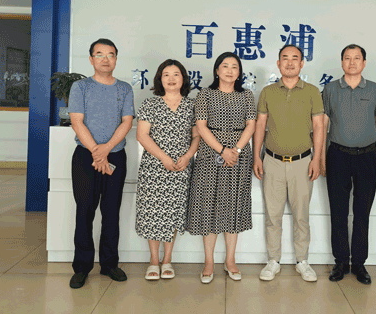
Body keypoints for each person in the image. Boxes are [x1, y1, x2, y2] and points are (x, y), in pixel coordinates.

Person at [67, 38, 135, 289]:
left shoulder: (124, 89)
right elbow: (77, 121)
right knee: (85, 210)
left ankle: (109, 263)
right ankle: (82, 267)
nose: (105, 59)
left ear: (116, 59)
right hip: (86, 156)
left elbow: (127, 122)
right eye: (100, 54)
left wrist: (105, 150)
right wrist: (97, 152)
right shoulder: (80, 87)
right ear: (91, 59)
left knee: (111, 211)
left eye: (111, 54)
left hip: (115, 155)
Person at [253, 44, 324, 282]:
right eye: (285, 58)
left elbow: (318, 127)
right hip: (272, 160)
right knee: (272, 215)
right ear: (278, 63)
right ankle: (273, 261)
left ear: (302, 63)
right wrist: (257, 156)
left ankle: (302, 261)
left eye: (295, 58)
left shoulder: (312, 91)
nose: (290, 62)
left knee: (301, 215)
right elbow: (260, 125)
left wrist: (317, 158)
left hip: (303, 161)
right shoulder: (268, 92)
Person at [186, 52, 256, 284]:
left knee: (233, 206)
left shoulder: (246, 95)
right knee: (209, 206)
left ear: (239, 72)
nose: (229, 70)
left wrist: (235, 150)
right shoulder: (205, 94)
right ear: (217, 70)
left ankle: (230, 260)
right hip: (210, 153)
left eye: (234, 66)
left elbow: (251, 125)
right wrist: (222, 150)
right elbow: (201, 126)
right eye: (224, 66)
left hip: (239, 155)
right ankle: (209, 262)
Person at [321, 44, 376, 285]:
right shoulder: (330, 89)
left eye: (357, 58)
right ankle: (340, 261)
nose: (352, 62)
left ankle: (359, 263)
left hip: (367, 157)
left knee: (362, 213)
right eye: (347, 58)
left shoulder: (375, 89)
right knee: (338, 212)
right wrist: (321, 159)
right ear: (341, 62)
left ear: (364, 63)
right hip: (337, 155)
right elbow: (323, 126)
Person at [135, 59, 200, 281]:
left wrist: (187, 157)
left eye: (176, 74)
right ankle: (154, 261)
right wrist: (163, 157)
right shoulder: (150, 104)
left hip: (181, 166)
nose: (171, 79)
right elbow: (142, 135)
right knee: (152, 212)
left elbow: (196, 136)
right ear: (159, 79)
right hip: (154, 167)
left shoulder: (193, 105)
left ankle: (167, 260)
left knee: (174, 212)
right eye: (166, 75)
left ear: (183, 79)